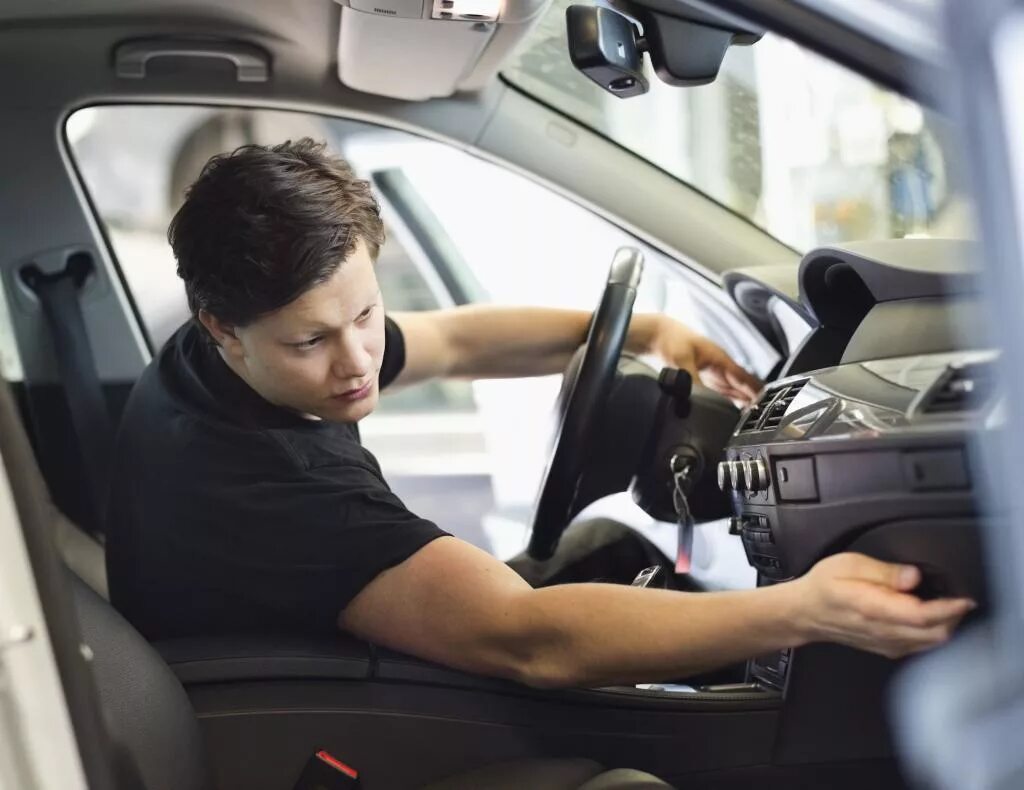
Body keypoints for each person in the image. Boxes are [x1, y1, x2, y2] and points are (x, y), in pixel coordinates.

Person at [106, 139, 974, 688]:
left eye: (366, 315)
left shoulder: (229, 357)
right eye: (312, 343)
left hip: (304, 663)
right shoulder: (275, 491)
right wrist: (807, 609)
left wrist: (648, 330)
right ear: (223, 328)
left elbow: (458, 344)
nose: (357, 360)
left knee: (623, 554)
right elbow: (530, 641)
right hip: (318, 712)